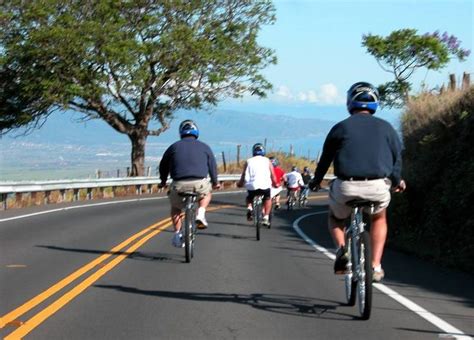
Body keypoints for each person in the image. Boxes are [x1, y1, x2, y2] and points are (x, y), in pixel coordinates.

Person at [309, 82, 406, 282]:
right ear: (375, 104)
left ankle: (342, 250)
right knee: (379, 218)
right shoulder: (387, 128)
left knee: (335, 218)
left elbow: (325, 159)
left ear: (349, 103)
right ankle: (376, 266)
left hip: (346, 186)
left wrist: (316, 182)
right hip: (377, 186)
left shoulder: (340, 127)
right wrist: (396, 182)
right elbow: (397, 159)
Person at [159, 119, 221, 248]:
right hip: (199, 184)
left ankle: (177, 234)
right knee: (207, 194)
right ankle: (201, 212)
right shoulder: (204, 147)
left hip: (179, 184)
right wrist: (215, 182)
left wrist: (163, 181)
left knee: (176, 208)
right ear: (196, 132)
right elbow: (212, 167)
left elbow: (163, 165)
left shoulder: (174, 147)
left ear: (181, 132)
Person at [237, 143, 279, 227]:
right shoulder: (267, 161)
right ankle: (266, 217)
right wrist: (276, 184)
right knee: (267, 198)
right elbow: (273, 175)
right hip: (265, 185)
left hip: (252, 185)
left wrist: (240, 183)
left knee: (249, 197)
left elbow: (244, 174)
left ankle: (249, 207)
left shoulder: (248, 161)